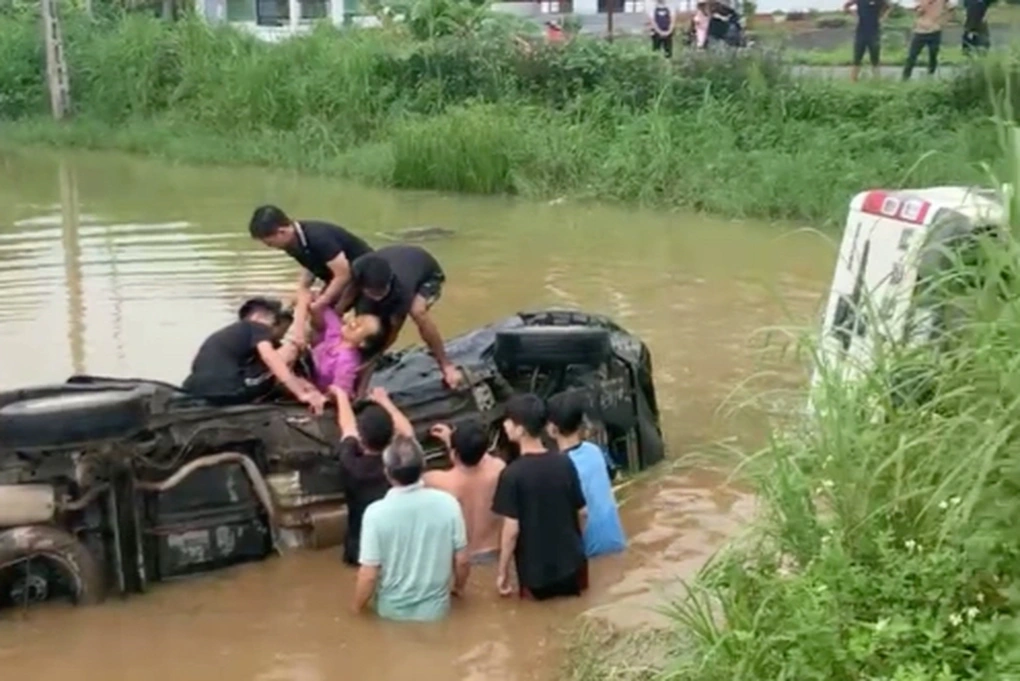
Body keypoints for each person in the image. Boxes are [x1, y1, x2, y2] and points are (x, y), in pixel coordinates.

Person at [353, 435, 470, 621]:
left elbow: (368, 575)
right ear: (423, 466)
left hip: (391, 614)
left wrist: (356, 610)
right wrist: (459, 590)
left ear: (387, 472)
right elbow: (462, 560)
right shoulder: (449, 504)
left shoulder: (375, 514)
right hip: (436, 612)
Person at [492, 394, 588, 601]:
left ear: (521, 430)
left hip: (536, 576)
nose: (505, 425)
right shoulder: (565, 463)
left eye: (509, 420)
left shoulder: (512, 475)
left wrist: (502, 572)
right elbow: (583, 512)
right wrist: (579, 549)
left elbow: (511, 531)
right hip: (572, 566)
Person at [340, 245, 462, 389]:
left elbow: (393, 332)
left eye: (382, 292)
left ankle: (446, 365)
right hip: (386, 265)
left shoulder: (402, 290)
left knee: (417, 312)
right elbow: (346, 298)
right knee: (363, 329)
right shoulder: (359, 269)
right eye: (374, 293)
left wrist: (372, 359)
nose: (378, 297)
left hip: (427, 274)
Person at [182, 296, 326, 413]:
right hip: (229, 390)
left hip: (195, 390)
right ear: (258, 317)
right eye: (276, 325)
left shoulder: (231, 335)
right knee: (291, 349)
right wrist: (302, 394)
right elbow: (271, 359)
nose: (277, 337)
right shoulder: (257, 326)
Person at [333, 385, 414, 566]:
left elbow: (347, 427)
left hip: (359, 549)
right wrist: (384, 401)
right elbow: (408, 432)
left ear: (361, 439)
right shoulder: (397, 463)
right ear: (392, 435)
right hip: (394, 547)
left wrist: (340, 394)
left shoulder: (350, 464)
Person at [248, 205, 373, 316]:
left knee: (357, 322)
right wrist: (302, 289)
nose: (271, 247)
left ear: (282, 232)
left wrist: (324, 300)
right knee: (318, 314)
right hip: (341, 278)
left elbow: (344, 273)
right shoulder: (291, 241)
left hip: (367, 278)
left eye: (270, 243)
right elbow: (310, 264)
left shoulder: (318, 237)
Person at [546, 391, 626, 559]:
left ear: (553, 429)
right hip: (616, 540)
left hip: (588, 550)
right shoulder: (595, 451)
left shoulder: (558, 466)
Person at [424, 419, 506, 565]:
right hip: (497, 553)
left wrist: (453, 443)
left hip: (464, 558)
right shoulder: (499, 469)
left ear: (454, 454)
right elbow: (482, 454)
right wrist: (457, 442)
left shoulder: (436, 481)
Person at [305, 295, 382, 397]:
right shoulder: (337, 333)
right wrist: (313, 298)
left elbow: (341, 390)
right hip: (308, 373)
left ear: (363, 342)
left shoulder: (347, 360)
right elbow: (324, 310)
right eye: (358, 320)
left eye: (360, 326)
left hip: (319, 391)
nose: (354, 323)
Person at [844, 0, 889, 82]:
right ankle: (853, 80)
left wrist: (883, 17)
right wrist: (855, 15)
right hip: (861, 31)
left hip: (874, 31)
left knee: (875, 56)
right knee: (857, 56)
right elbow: (846, 6)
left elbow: (888, 7)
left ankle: (877, 80)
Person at [902, 0, 948, 80]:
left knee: (933, 55)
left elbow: (951, 8)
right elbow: (917, 12)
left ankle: (930, 76)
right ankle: (905, 77)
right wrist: (923, 6)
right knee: (912, 55)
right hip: (920, 31)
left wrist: (943, 21)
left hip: (935, 30)